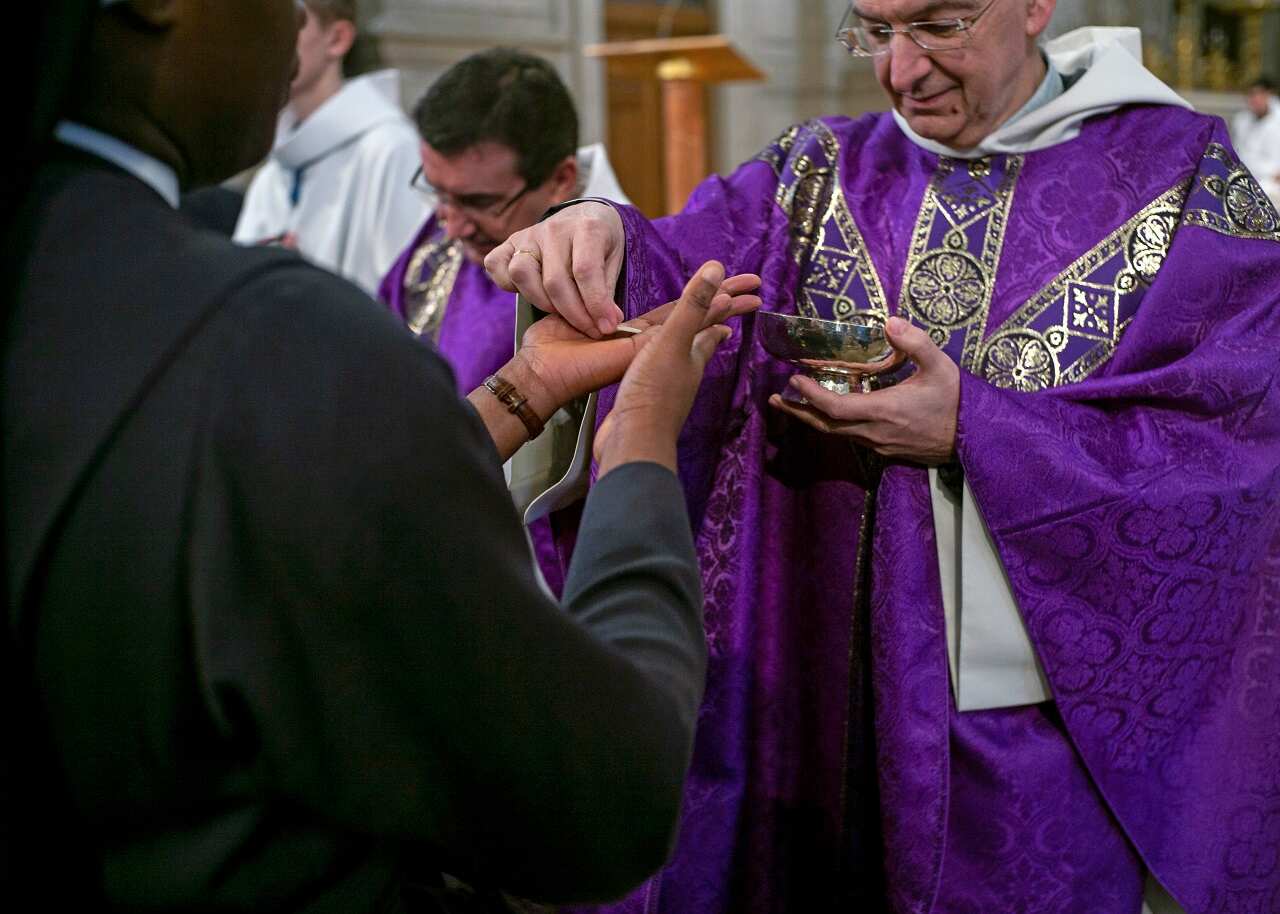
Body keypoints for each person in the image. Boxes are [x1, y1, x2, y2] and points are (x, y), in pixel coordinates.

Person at [487, 2, 1280, 913]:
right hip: (805, 703)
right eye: (872, 30)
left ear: (1033, 7)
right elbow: (679, 261)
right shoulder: (819, 168)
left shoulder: (1182, 179)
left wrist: (980, 429)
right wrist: (600, 236)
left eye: (939, 25)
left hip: (1026, 739)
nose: (901, 72)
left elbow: (1237, 445)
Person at [4, 1, 763, 910]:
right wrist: (640, 440)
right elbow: (603, 798)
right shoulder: (268, 342)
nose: (293, 22)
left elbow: (289, 511)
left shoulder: (78, 297)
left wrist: (520, 392)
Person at [380, 47, 630, 395]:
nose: (452, 228)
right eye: (439, 193)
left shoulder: (618, 282)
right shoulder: (438, 242)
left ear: (561, 179)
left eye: (479, 202)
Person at [233, 0, 427, 294]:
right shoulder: (275, 168)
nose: (266, 37)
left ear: (337, 39)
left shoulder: (391, 150)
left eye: (292, 20)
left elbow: (412, 297)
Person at [1231, 75, 1280, 207]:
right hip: (1243, 178)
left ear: (1268, 95)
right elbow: (1237, 152)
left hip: (1272, 185)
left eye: (1258, 95)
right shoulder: (1241, 120)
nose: (1254, 100)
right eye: (1251, 95)